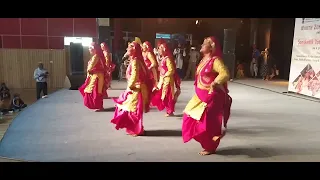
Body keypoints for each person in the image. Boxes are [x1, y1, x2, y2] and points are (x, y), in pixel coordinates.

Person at [182, 36, 232, 156]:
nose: (202, 45)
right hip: (200, 96)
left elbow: (225, 73)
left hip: (211, 96)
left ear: (211, 47)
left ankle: (210, 146)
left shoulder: (215, 61)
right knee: (188, 116)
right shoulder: (204, 59)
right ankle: (208, 143)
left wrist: (215, 82)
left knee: (208, 123)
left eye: (204, 44)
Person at [111, 41, 150, 137]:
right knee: (131, 109)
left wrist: (130, 86)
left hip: (136, 88)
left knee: (133, 109)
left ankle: (137, 130)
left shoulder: (136, 61)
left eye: (130, 47)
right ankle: (135, 128)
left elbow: (135, 75)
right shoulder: (135, 60)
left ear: (135, 50)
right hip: (137, 87)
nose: (128, 49)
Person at [151, 40, 181, 117]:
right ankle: (168, 110)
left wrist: (165, 75)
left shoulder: (168, 59)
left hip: (168, 81)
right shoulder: (163, 58)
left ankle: (170, 111)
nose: (159, 51)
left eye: (160, 49)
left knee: (169, 96)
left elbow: (171, 70)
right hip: (163, 80)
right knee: (163, 96)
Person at [79, 42, 107, 111]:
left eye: (90, 48)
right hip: (97, 76)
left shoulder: (96, 57)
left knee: (96, 91)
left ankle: (99, 106)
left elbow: (90, 68)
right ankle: (100, 106)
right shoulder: (97, 56)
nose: (89, 50)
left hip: (97, 77)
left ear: (94, 49)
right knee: (98, 91)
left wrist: (89, 72)